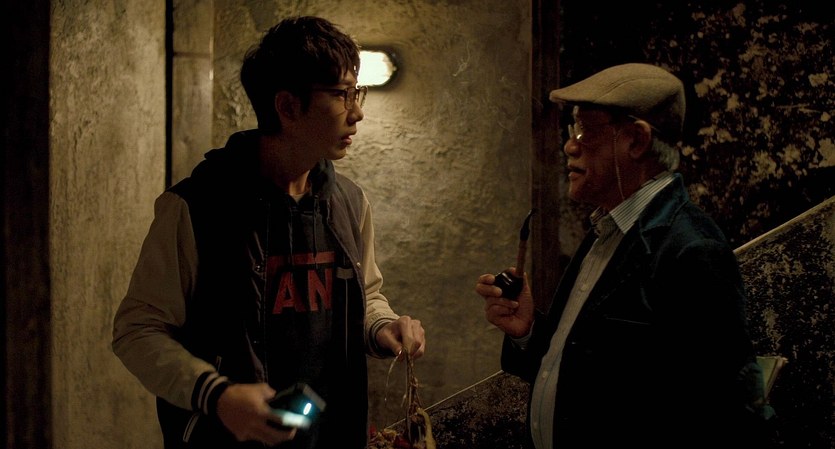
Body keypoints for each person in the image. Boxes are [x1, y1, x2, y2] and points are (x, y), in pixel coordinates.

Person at [113, 16, 425, 449]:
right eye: (341, 94)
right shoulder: (195, 207)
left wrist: (382, 327)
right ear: (287, 106)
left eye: (356, 93)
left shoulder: (348, 203)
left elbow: (365, 296)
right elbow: (138, 330)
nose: (357, 112)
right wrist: (217, 395)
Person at [475, 63, 772, 448]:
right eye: (572, 129)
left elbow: (735, 416)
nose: (570, 145)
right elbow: (596, 372)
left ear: (636, 140)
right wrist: (530, 331)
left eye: (585, 130)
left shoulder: (692, 250)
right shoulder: (608, 229)